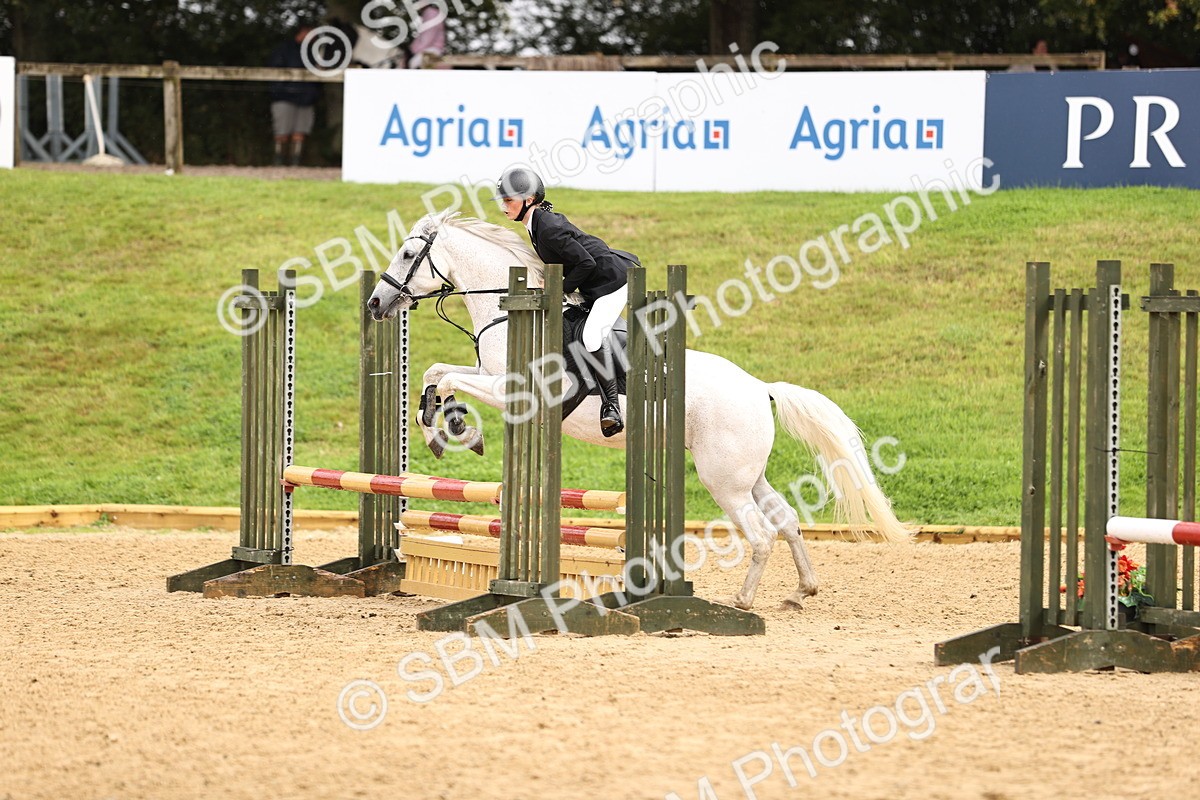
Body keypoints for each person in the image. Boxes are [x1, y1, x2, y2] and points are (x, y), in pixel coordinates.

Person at [495, 167, 636, 437]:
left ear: (529, 199)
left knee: (593, 337)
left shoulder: (546, 227)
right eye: (503, 200)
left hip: (611, 283)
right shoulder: (536, 223)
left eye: (509, 200)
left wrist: (560, 289)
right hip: (592, 282)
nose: (504, 206)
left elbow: (586, 262)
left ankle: (611, 408)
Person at [267, 21, 322, 165]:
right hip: (285, 97)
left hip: (306, 99)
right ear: (304, 31)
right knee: (282, 132)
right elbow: (275, 73)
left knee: (300, 132)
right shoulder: (283, 50)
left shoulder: (314, 52)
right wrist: (282, 91)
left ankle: (295, 164)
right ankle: (279, 163)